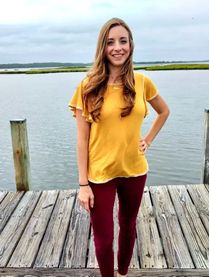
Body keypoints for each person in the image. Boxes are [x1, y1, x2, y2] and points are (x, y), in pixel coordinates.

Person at [69, 17, 170, 277]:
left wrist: (147, 140)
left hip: (135, 170)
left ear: (131, 45)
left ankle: (123, 273)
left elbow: (164, 111)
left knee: (128, 225)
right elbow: (81, 139)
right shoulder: (87, 87)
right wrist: (83, 184)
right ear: (102, 47)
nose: (117, 47)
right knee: (103, 239)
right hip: (100, 174)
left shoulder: (142, 82)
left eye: (123, 41)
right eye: (110, 42)